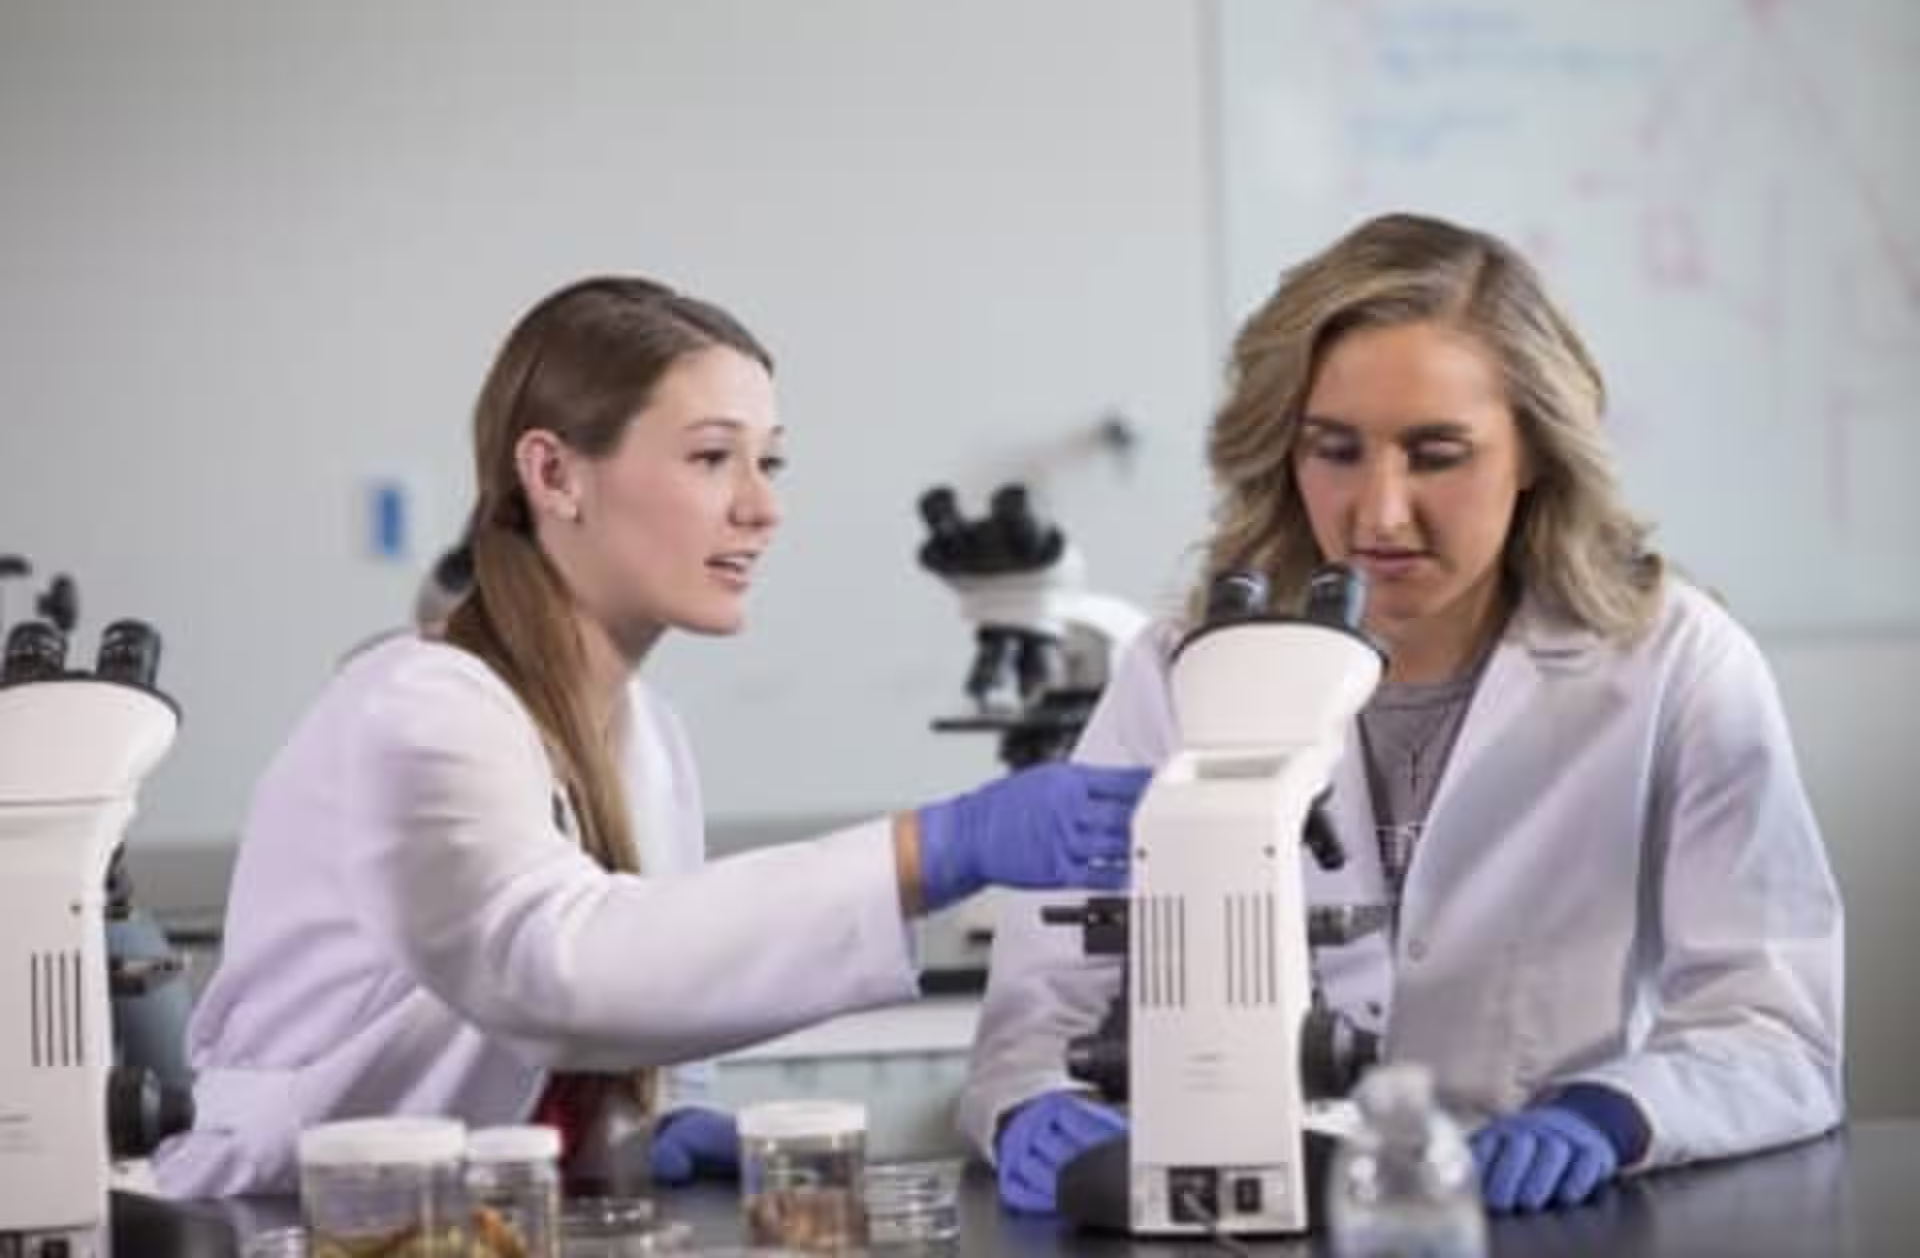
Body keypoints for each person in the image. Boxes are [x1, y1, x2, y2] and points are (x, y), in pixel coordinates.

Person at [155, 277, 1149, 1197]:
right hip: (296, 1219)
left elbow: (636, 1000)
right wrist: (935, 848)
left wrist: (650, 1121)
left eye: (771, 459)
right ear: (553, 472)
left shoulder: (646, 735)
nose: (763, 505)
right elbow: (550, 969)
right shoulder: (417, 708)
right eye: (713, 456)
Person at [958, 213, 1844, 1216]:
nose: (1379, 512)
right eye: (1334, 449)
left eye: (1436, 453)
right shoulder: (1183, 666)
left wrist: (1610, 1112)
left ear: (1536, 454)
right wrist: (1033, 1103)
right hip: (1252, 1214)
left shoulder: (1672, 661)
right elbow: (1041, 1005)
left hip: (1543, 1219)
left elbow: (1775, 1028)